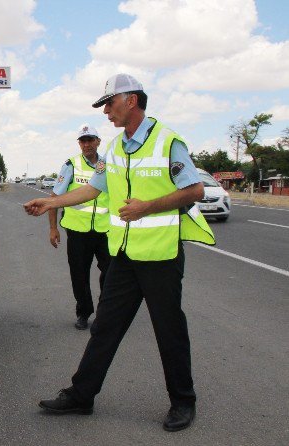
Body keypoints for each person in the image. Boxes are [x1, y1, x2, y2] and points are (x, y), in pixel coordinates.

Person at [24, 73, 215, 432]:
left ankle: (183, 402)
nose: (106, 111)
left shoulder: (167, 141)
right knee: (105, 328)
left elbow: (195, 190)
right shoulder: (111, 148)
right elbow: (93, 190)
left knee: (169, 330)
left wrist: (148, 207)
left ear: (131, 100)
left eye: (109, 103)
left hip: (160, 256)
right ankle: (81, 396)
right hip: (124, 255)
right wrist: (51, 202)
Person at [50, 124, 110, 330]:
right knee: (79, 273)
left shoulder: (108, 164)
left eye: (90, 140)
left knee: (111, 272)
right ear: (79, 143)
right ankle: (84, 312)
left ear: (98, 142)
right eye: (83, 141)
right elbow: (56, 197)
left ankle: (105, 312)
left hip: (106, 230)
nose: (86, 144)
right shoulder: (71, 165)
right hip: (77, 231)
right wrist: (53, 228)